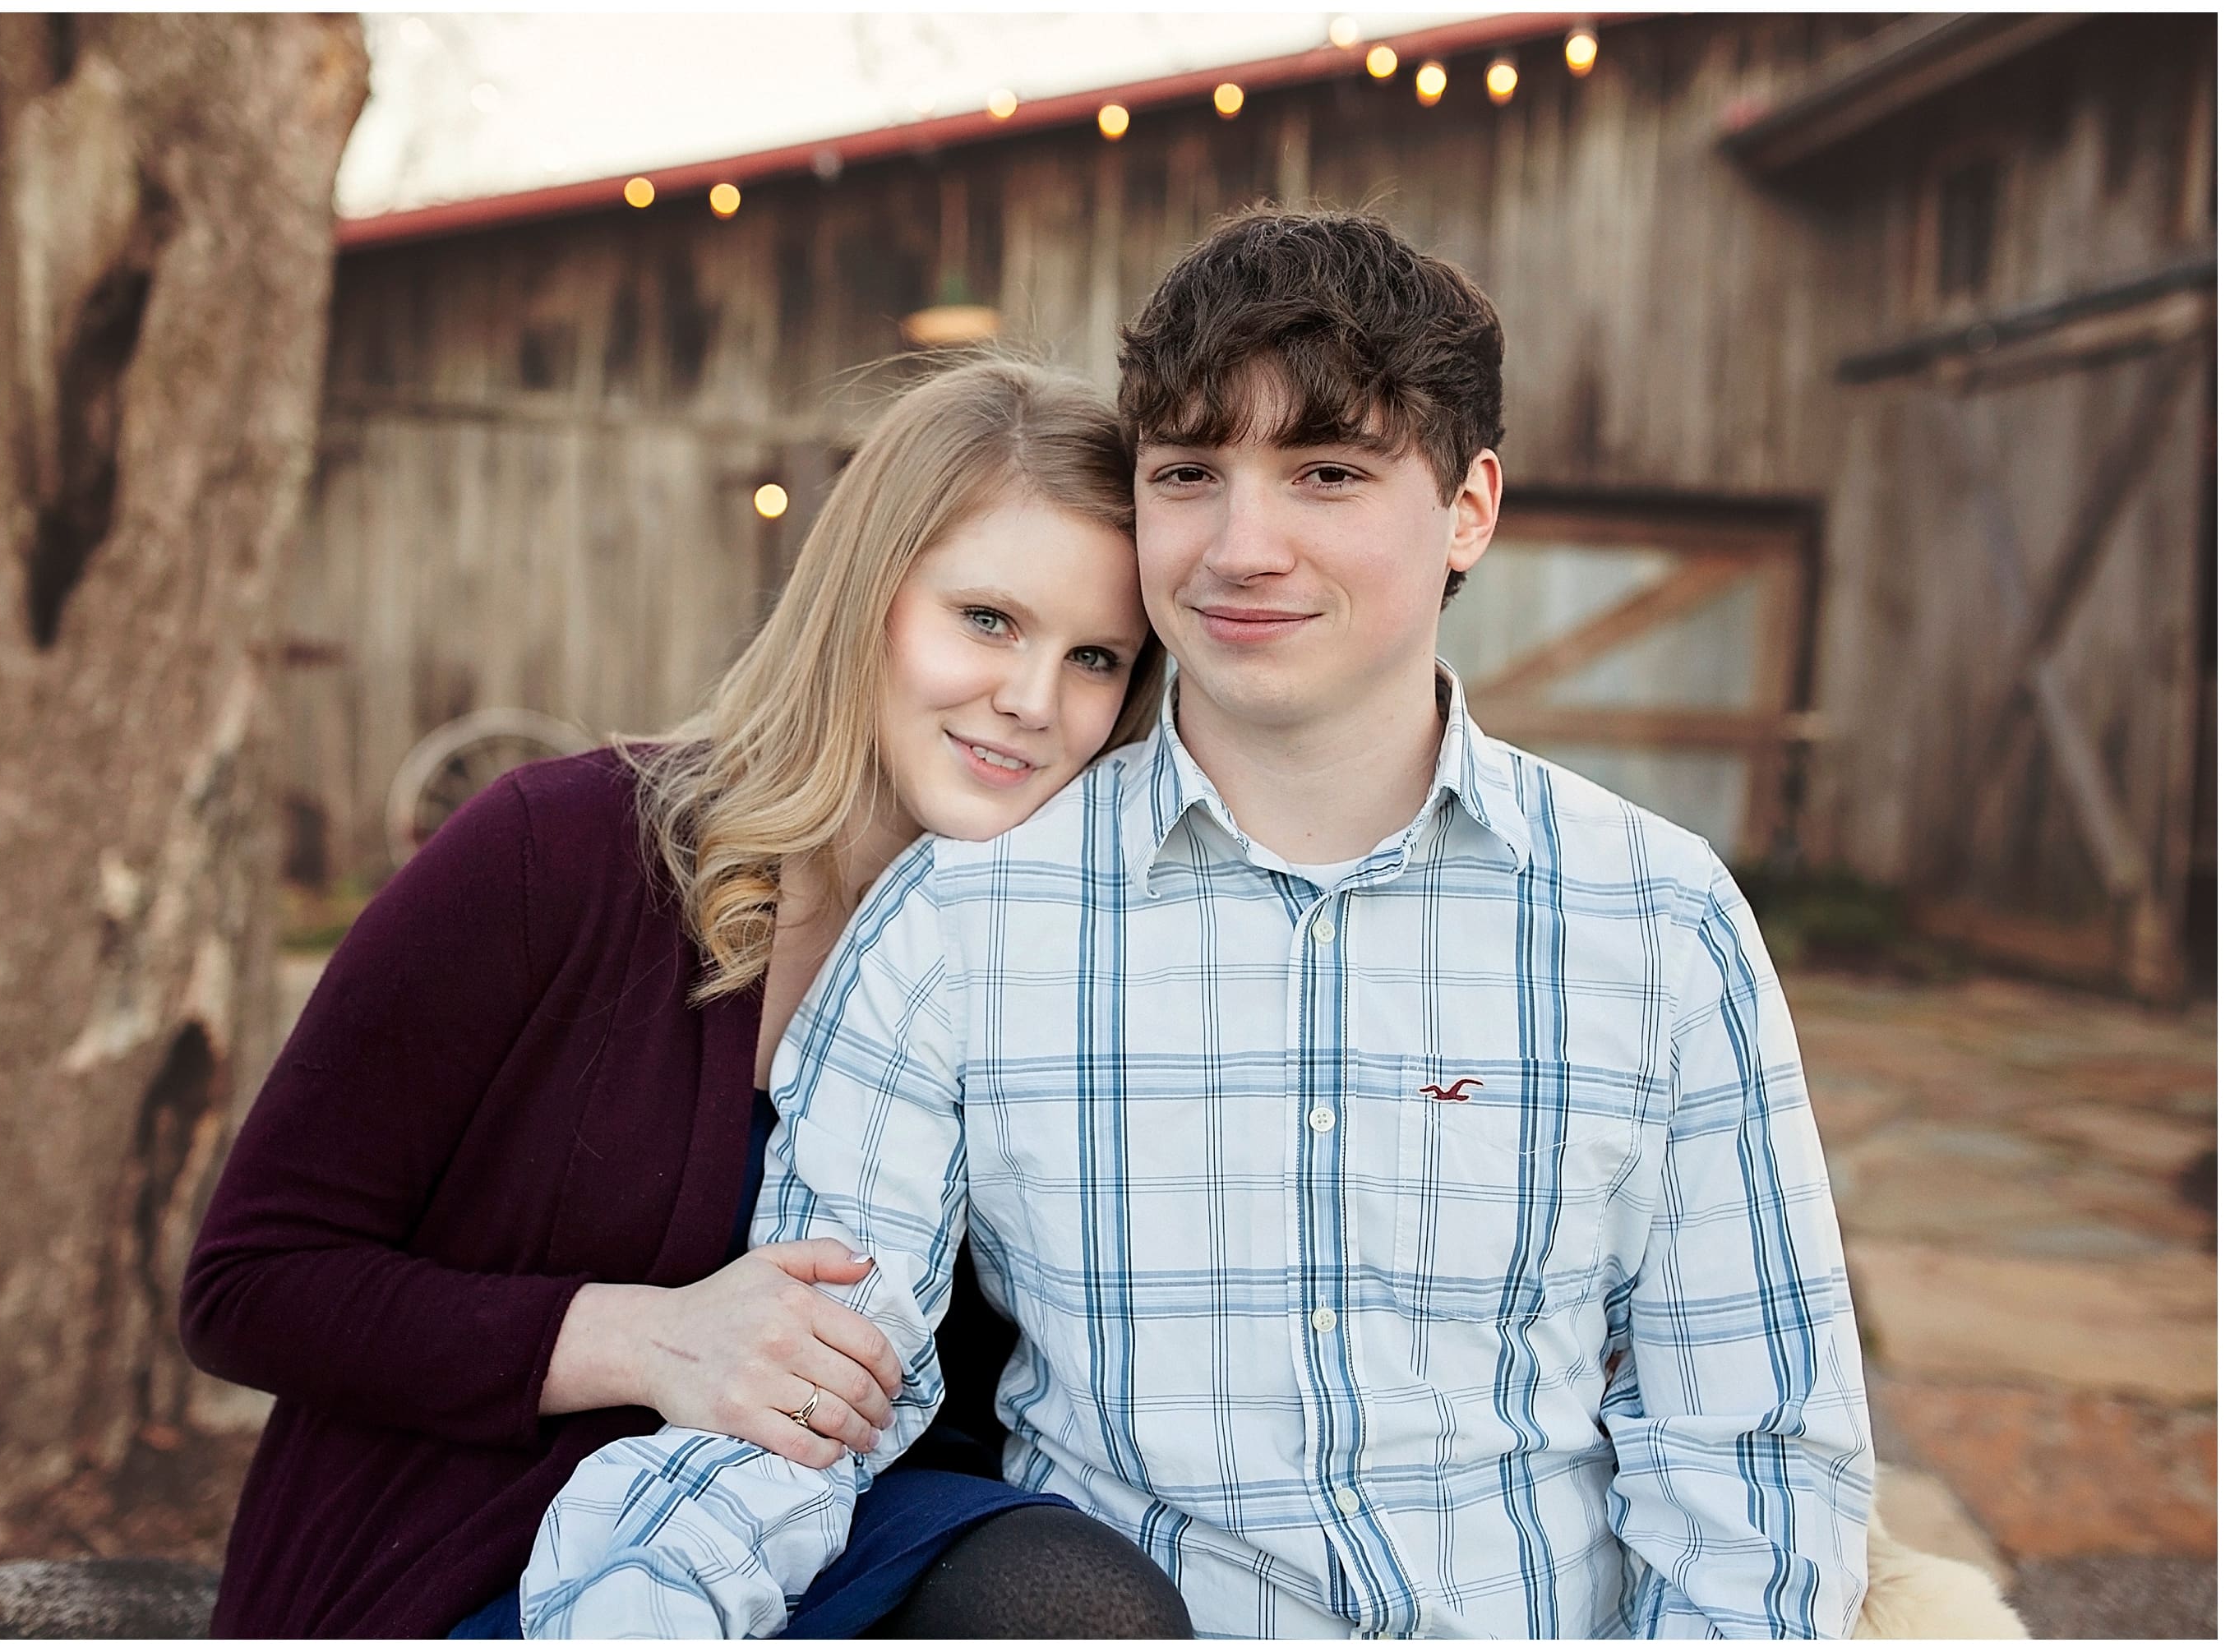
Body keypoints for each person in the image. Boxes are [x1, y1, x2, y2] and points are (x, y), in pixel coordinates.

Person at [522, 209, 1874, 1639]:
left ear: (1469, 506)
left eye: (1328, 473)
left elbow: (1758, 1454)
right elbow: (798, 1411)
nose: (1242, 546)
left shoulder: (1656, 918)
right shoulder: (968, 919)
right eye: (1188, 475)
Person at [179, 359, 1196, 1638]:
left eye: (1095, 656)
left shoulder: (1037, 972)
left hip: (815, 1540)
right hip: (464, 1559)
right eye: (987, 619)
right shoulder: (558, 854)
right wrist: (647, 1340)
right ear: (865, 597)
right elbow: (250, 1283)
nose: (1035, 701)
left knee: (1074, 1609)